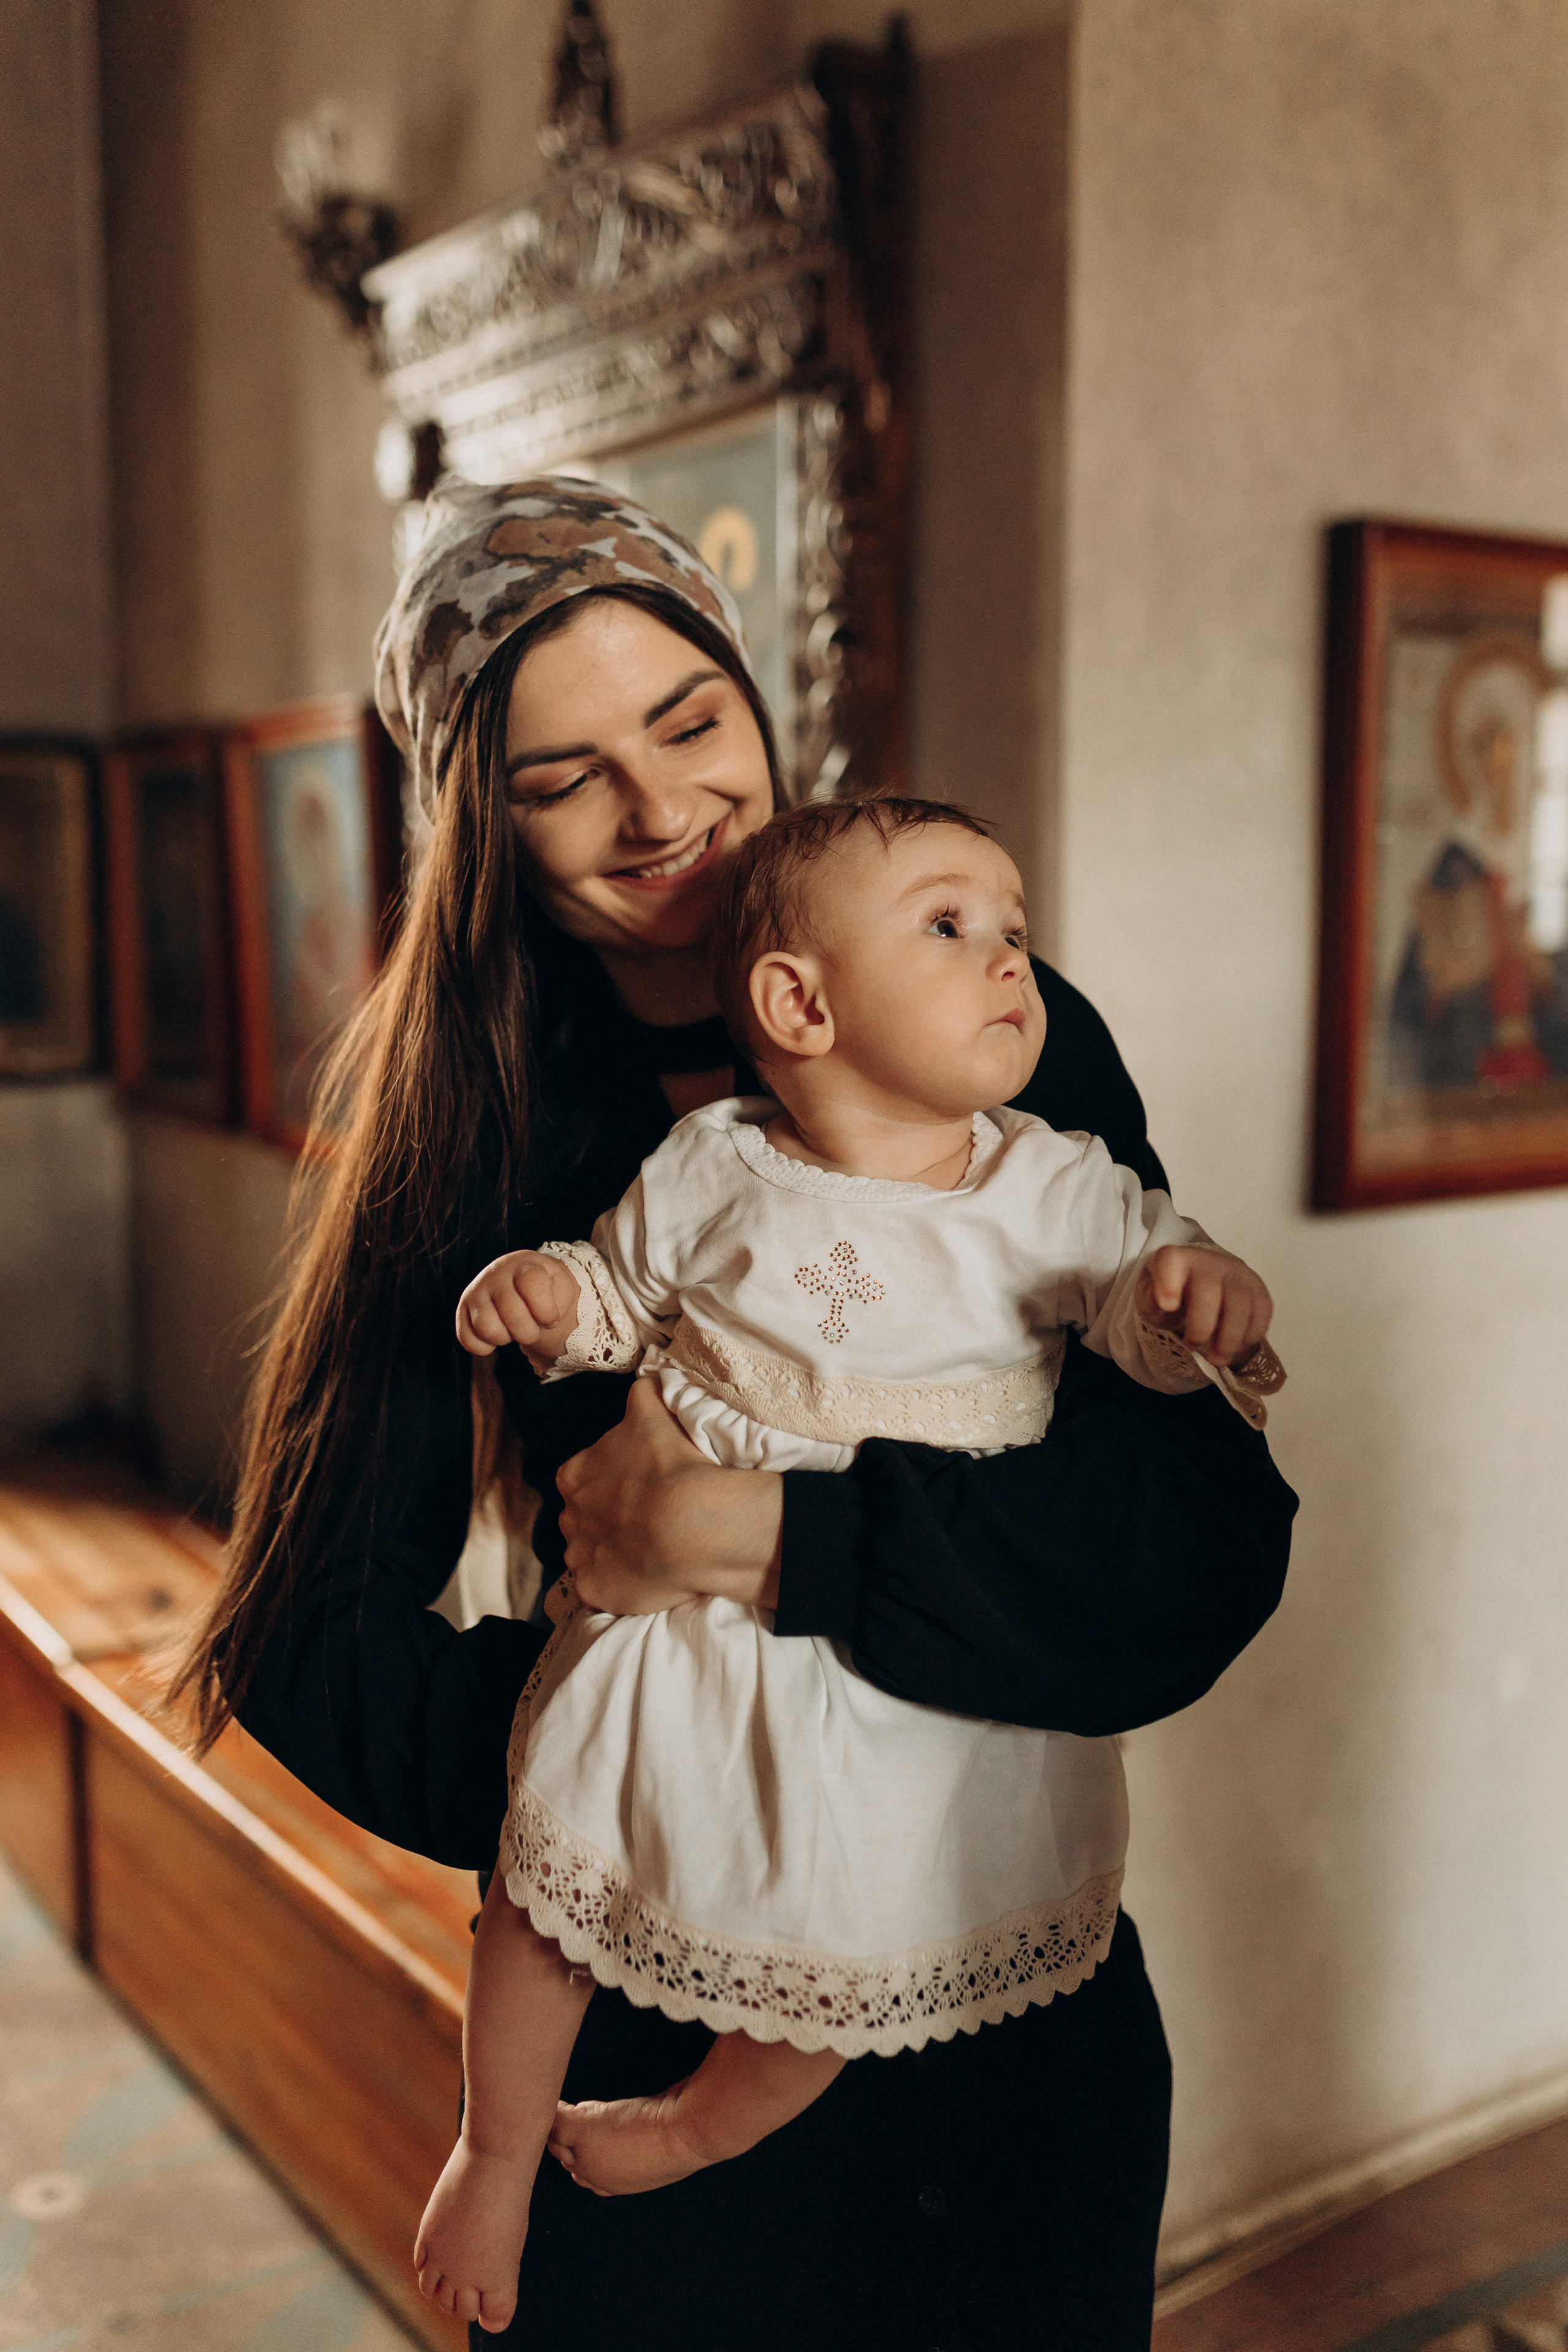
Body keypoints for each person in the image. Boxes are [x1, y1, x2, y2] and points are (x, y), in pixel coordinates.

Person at [176, 476, 1298, 2352]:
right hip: (664, 2082)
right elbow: (302, 1638)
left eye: (690, 722)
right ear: (484, 832)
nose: (661, 806)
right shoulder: (475, 1128)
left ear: (760, 698)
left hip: (1017, 2025)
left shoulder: (996, 1040)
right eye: (561, 779)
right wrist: (631, 1785)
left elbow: (1190, 1556)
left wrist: (778, 1546)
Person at [414, 795, 1283, 2334]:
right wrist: (545, 1297)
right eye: (949, 926)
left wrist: (1188, 1289)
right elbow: (621, 1294)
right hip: (682, 1648)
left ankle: (691, 2125)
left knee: (852, 1947)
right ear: (799, 1003)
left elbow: (1142, 1322)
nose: (1010, 954)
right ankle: (492, 2149)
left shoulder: (1054, 1186)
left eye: (1011, 923)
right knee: (546, 1884)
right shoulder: (713, 1163)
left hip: (909, 1684)